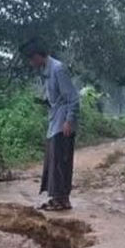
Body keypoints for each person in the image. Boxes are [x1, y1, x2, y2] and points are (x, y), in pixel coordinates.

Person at [20, 38, 79, 211]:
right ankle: (56, 199)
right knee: (53, 163)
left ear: (38, 56)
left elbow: (73, 98)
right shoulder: (46, 71)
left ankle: (63, 200)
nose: (31, 63)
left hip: (63, 125)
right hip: (54, 123)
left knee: (61, 163)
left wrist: (69, 121)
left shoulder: (58, 69)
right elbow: (55, 97)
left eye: (31, 59)